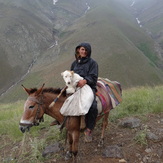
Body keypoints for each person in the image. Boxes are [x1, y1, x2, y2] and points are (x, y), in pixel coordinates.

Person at [71, 42, 98, 142]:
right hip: (76, 87)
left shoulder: (93, 63)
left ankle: (89, 128)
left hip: (89, 87)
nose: (84, 52)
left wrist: (85, 80)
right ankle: (63, 122)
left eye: (86, 50)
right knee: (64, 100)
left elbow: (94, 77)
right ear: (78, 50)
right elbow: (71, 75)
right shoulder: (74, 63)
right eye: (82, 49)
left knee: (93, 106)